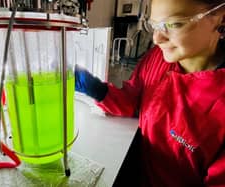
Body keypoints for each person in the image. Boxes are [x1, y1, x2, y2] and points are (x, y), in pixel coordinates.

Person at [75, 0, 225, 186]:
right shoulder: (158, 58)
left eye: (174, 24)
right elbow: (132, 101)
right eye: (154, 25)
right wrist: (94, 87)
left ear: (220, 17)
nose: (156, 38)